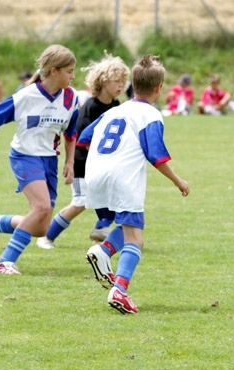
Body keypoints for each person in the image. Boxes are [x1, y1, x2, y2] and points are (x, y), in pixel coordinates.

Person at [81, 54, 190, 314]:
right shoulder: (150, 114)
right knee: (136, 239)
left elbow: (84, 137)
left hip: (94, 175)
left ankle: (104, 251)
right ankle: (119, 289)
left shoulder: (114, 111)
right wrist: (178, 180)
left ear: (133, 84)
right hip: (122, 179)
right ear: (159, 88)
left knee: (130, 225)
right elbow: (156, 155)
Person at [0, 44, 79, 274]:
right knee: (41, 207)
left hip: (49, 160)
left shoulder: (71, 98)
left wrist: (70, 162)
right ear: (53, 71)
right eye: (69, 71)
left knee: (41, 228)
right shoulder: (25, 96)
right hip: (24, 156)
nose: (73, 76)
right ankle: (4, 262)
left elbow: (71, 134)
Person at [37, 52, 130, 250]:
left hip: (102, 165)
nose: (121, 85)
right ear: (103, 81)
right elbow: (82, 138)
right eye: (116, 81)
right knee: (80, 202)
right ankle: (46, 237)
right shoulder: (90, 107)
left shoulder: (116, 105)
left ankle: (101, 228)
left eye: (123, 81)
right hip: (82, 164)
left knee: (113, 197)